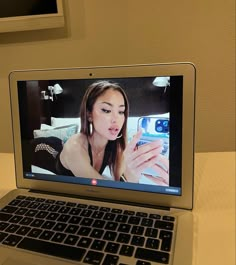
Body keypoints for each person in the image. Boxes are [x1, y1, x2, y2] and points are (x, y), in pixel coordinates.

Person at [56, 80, 169, 184]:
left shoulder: (116, 146)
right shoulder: (75, 146)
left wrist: (132, 174)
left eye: (121, 111)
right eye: (106, 110)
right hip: (47, 149)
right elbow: (101, 190)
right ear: (89, 114)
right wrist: (129, 176)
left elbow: (120, 184)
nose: (116, 119)